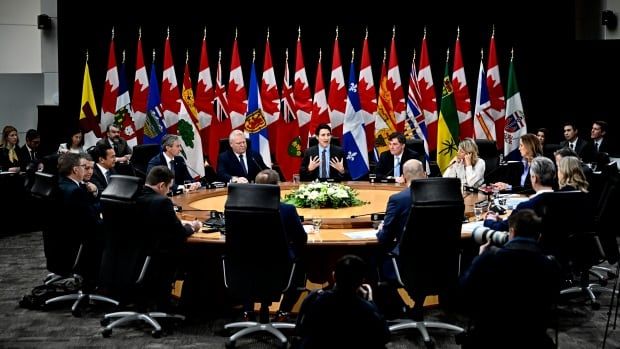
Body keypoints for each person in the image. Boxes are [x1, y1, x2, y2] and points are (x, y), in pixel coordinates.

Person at [460, 209, 561, 349]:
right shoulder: (550, 264)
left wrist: (479, 258)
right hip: (533, 339)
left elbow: (464, 294)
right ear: (539, 236)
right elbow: (553, 302)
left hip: (488, 338)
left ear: (511, 232)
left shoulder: (490, 259)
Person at [136, 166, 202, 308]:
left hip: (135, 256)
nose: (169, 192)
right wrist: (192, 226)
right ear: (161, 186)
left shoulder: (135, 195)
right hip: (160, 257)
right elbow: (178, 233)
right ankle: (189, 308)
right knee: (200, 256)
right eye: (169, 188)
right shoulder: (162, 202)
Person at [295, 254, 390, 349]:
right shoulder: (367, 309)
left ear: (334, 276)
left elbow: (300, 331)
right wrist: (370, 301)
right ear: (362, 281)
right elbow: (384, 337)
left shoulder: (315, 298)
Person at [254, 169, 307, 321]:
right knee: (301, 264)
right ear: (277, 187)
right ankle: (283, 312)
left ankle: (247, 312)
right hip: (281, 268)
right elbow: (301, 238)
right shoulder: (287, 210)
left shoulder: (241, 207)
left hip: (247, 267)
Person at [485, 156, 556, 232]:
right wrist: (503, 220)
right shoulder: (567, 199)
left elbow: (502, 227)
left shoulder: (526, 206)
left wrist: (489, 220)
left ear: (534, 178)